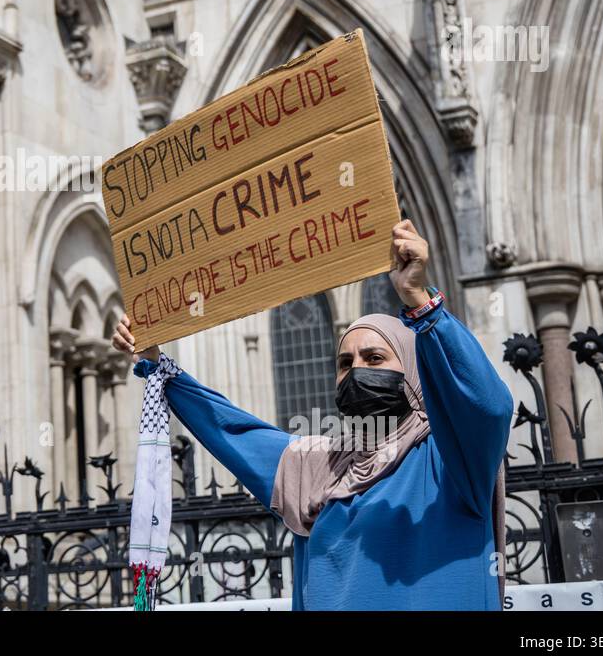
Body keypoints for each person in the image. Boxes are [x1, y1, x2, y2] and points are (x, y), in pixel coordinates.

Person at [113, 219, 513, 610]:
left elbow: (487, 404)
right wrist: (157, 363)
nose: (357, 370)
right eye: (345, 361)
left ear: (412, 368)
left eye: (375, 358)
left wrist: (422, 304)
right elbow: (232, 431)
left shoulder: (449, 458)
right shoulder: (319, 467)